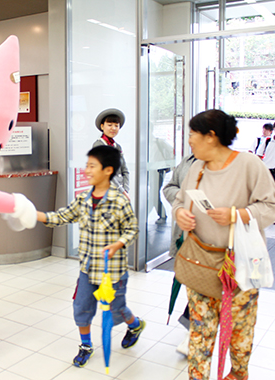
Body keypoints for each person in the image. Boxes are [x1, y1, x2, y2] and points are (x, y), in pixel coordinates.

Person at [173, 109, 275, 380]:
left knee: (239, 338)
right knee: (200, 334)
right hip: (200, 265)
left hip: (240, 269)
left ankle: (237, 375)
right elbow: (179, 200)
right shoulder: (196, 167)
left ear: (211, 136)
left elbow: (272, 206)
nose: (190, 140)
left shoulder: (248, 164)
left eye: (192, 134)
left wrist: (238, 214)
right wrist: (179, 214)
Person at [37, 145, 142, 368]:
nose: (87, 170)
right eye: (87, 165)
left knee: (117, 310)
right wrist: (34, 215)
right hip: (87, 269)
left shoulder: (120, 200)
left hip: (112, 273)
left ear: (108, 170)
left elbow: (132, 229)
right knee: (81, 308)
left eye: (92, 165)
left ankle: (135, 325)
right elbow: (61, 216)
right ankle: (85, 345)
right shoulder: (83, 198)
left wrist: (118, 243)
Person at [162, 153, 197, 356]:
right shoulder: (187, 160)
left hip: (210, 237)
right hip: (185, 232)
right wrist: (183, 199)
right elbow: (169, 187)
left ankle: (193, 330)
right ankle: (193, 325)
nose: (192, 140)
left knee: (200, 284)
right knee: (190, 281)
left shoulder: (226, 163)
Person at [93, 108, 130, 199]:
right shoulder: (98, 145)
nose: (113, 128)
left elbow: (125, 170)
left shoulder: (117, 146)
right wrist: (122, 191)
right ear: (102, 126)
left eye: (116, 125)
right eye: (109, 125)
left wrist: (126, 189)